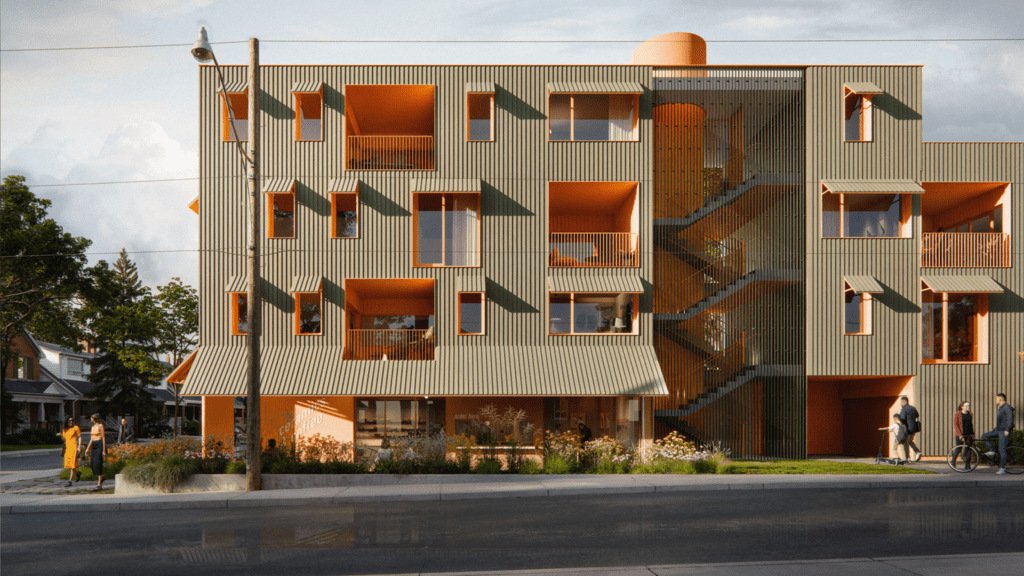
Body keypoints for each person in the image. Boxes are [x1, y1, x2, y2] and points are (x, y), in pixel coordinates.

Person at [981, 393, 1015, 475]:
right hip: (999, 430)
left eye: (996, 399)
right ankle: (992, 451)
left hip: (1004, 431)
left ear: (1000, 399)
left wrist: (1007, 429)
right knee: (985, 435)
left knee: (1002, 450)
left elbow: (1010, 419)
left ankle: (1002, 468)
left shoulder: (1007, 407)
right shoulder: (1001, 408)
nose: (995, 400)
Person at [84, 414, 107, 491]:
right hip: (94, 445)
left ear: (94, 419)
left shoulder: (100, 426)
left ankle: (99, 484)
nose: (90, 419)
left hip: (99, 444)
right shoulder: (93, 427)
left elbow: (103, 438)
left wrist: (104, 450)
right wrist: (87, 448)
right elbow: (91, 438)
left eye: (91, 418)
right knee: (92, 464)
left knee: (98, 464)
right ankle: (102, 477)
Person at [952, 401, 974, 470]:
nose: (968, 407)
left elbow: (970, 425)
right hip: (960, 434)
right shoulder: (958, 414)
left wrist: (972, 434)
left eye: (969, 405)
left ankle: (967, 464)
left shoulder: (970, 414)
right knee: (958, 449)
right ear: (962, 407)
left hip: (968, 434)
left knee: (969, 449)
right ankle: (952, 462)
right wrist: (960, 435)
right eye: (966, 406)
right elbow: (956, 425)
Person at [899, 397, 922, 462]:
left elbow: (902, 419)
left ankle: (907, 458)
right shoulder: (913, 408)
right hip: (914, 428)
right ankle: (917, 452)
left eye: (901, 402)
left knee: (906, 443)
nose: (901, 404)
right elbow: (917, 415)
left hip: (907, 428)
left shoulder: (904, 409)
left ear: (903, 402)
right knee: (910, 441)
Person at [60, 418, 82, 487]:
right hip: (67, 449)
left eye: (72, 420)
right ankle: (77, 473)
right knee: (68, 465)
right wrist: (61, 435)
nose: (71, 422)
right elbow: (65, 439)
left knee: (72, 464)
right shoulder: (65, 429)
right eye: (69, 420)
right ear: (66, 421)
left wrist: (79, 447)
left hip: (74, 448)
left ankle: (69, 481)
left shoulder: (75, 428)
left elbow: (80, 437)